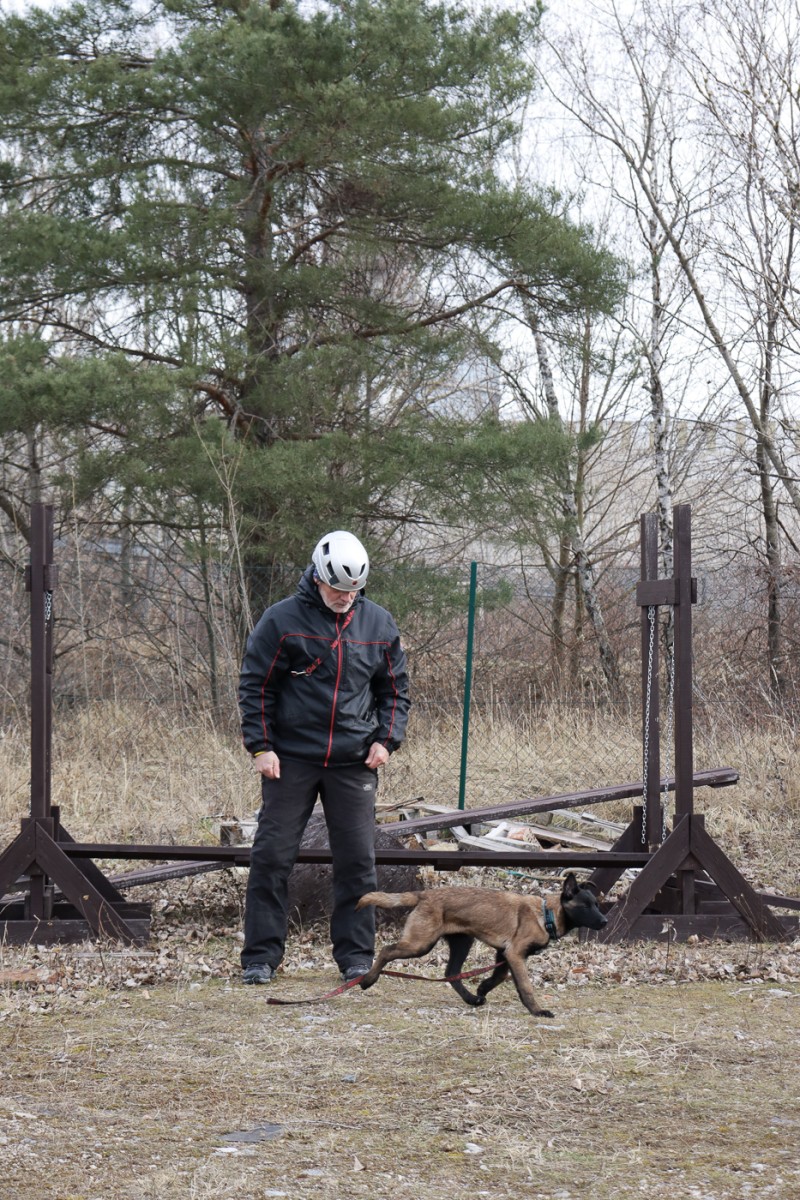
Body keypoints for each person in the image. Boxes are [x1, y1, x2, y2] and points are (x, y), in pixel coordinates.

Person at [238, 530, 411, 985]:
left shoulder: (379, 624)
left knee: (357, 862)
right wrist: (261, 746)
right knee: (272, 857)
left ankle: (356, 957)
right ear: (317, 576)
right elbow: (256, 685)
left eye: (353, 590)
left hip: (354, 761)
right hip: (290, 759)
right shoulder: (281, 620)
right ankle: (260, 957)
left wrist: (386, 740)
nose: (345, 597)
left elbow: (395, 692)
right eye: (337, 589)